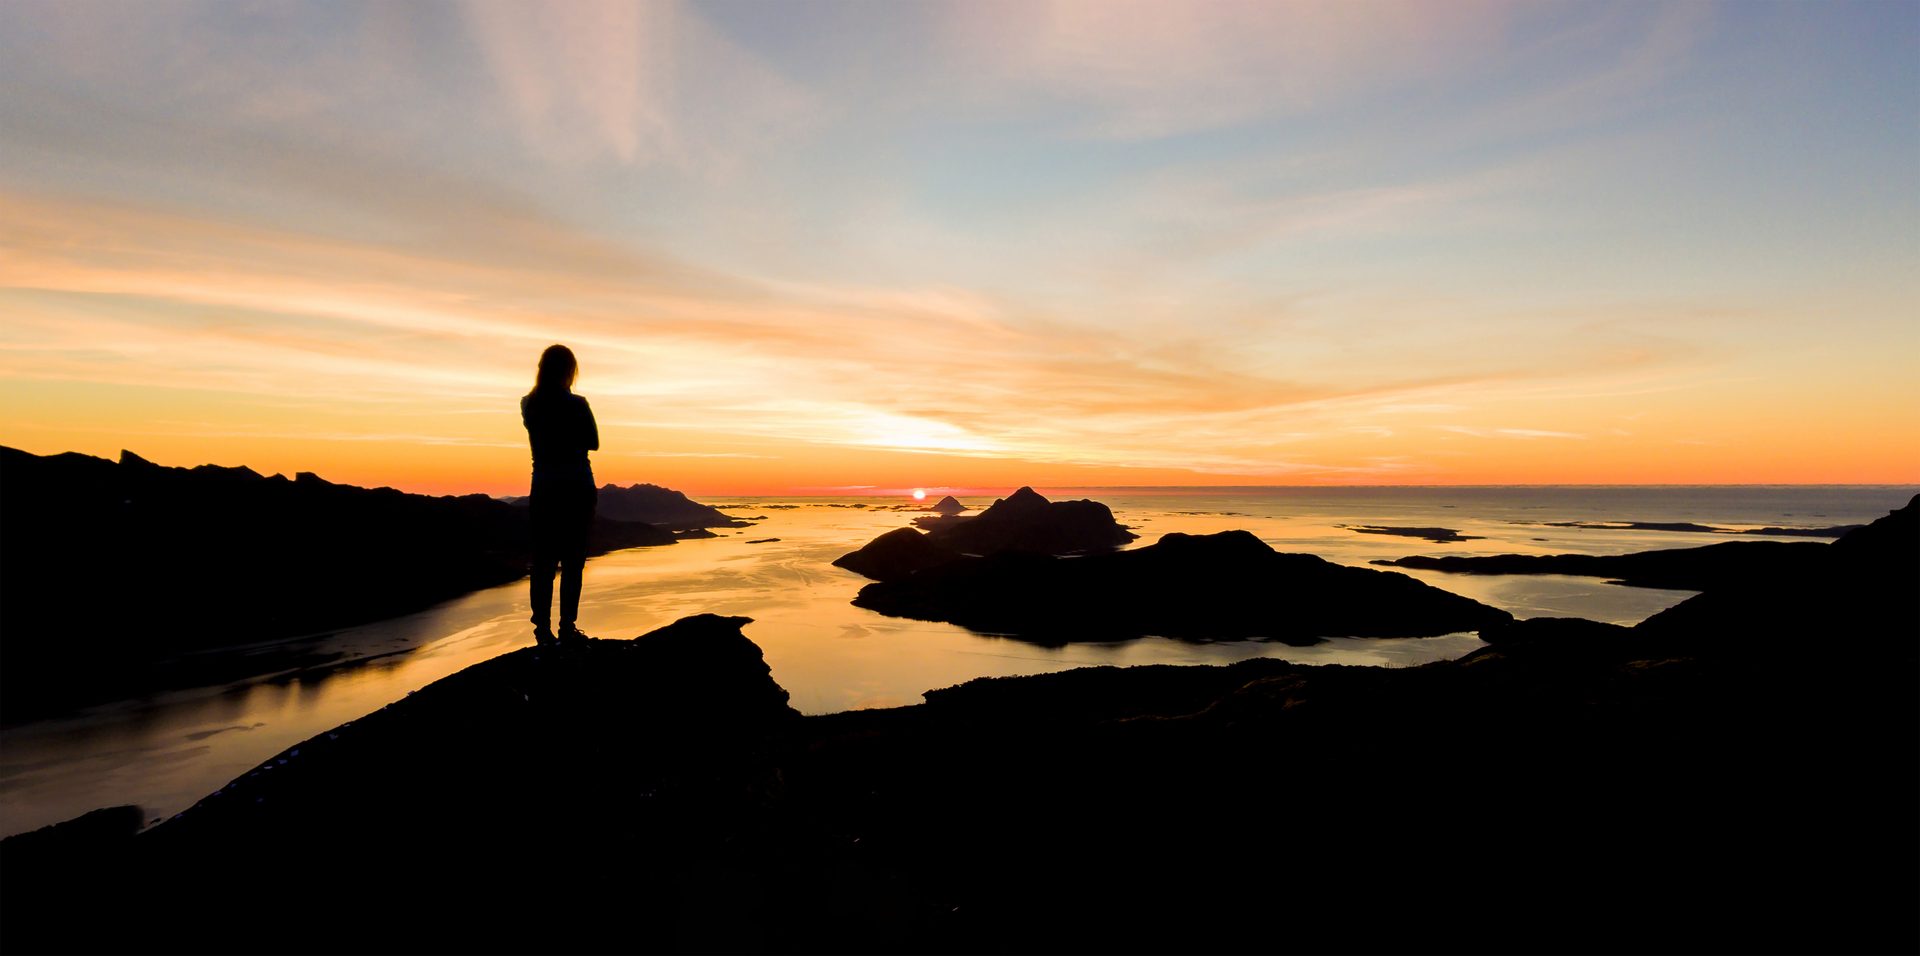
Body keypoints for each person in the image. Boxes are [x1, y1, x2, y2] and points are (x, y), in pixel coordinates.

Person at [521, 344, 599, 646]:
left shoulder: (529, 403)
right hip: (576, 486)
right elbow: (593, 442)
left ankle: (542, 630)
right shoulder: (578, 404)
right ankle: (567, 627)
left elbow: (541, 435)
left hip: (544, 487)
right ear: (569, 371)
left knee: (543, 562)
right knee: (573, 561)